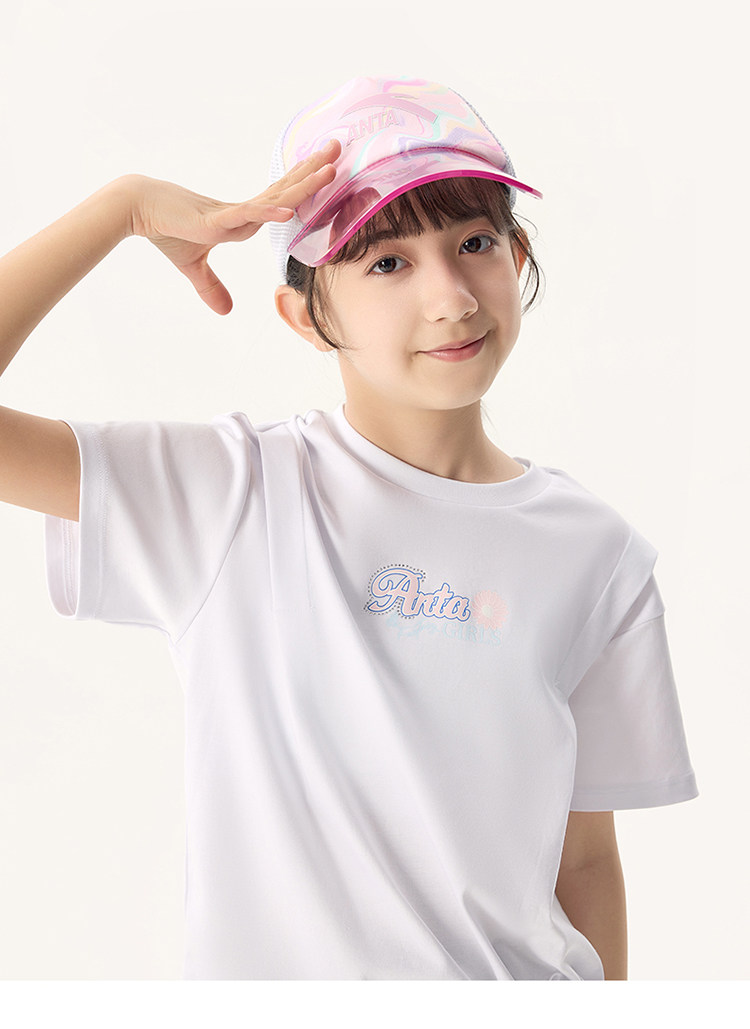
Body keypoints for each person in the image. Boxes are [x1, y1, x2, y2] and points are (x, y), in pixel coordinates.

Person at [0, 75, 698, 981]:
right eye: (387, 263)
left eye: (475, 242)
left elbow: (586, 862)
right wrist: (123, 208)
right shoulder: (232, 496)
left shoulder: (595, 552)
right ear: (305, 315)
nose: (451, 296)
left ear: (517, 253)